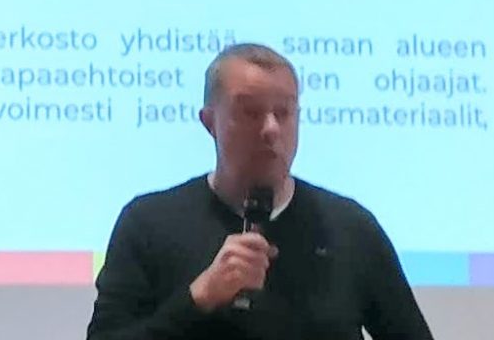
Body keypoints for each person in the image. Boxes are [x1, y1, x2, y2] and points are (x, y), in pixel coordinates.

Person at [87, 43, 433, 340]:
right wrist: (198, 298)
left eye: (284, 113)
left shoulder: (350, 229)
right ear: (209, 122)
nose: (270, 129)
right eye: (250, 112)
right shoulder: (148, 224)